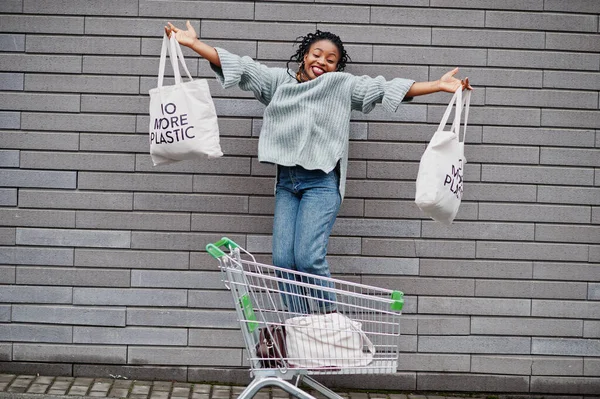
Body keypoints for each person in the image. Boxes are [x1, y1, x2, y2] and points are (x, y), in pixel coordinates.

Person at [165, 21, 472, 314]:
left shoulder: (341, 86)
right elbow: (242, 68)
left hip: (321, 184)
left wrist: (437, 86)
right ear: (304, 56)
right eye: (317, 54)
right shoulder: (278, 83)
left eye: (331, 59)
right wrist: (194, 44)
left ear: (337, 67)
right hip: (287, 184)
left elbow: (383, 89)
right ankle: (302, 326)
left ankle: (327, 323)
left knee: (309, 258)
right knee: (284, 261)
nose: (322, 62)